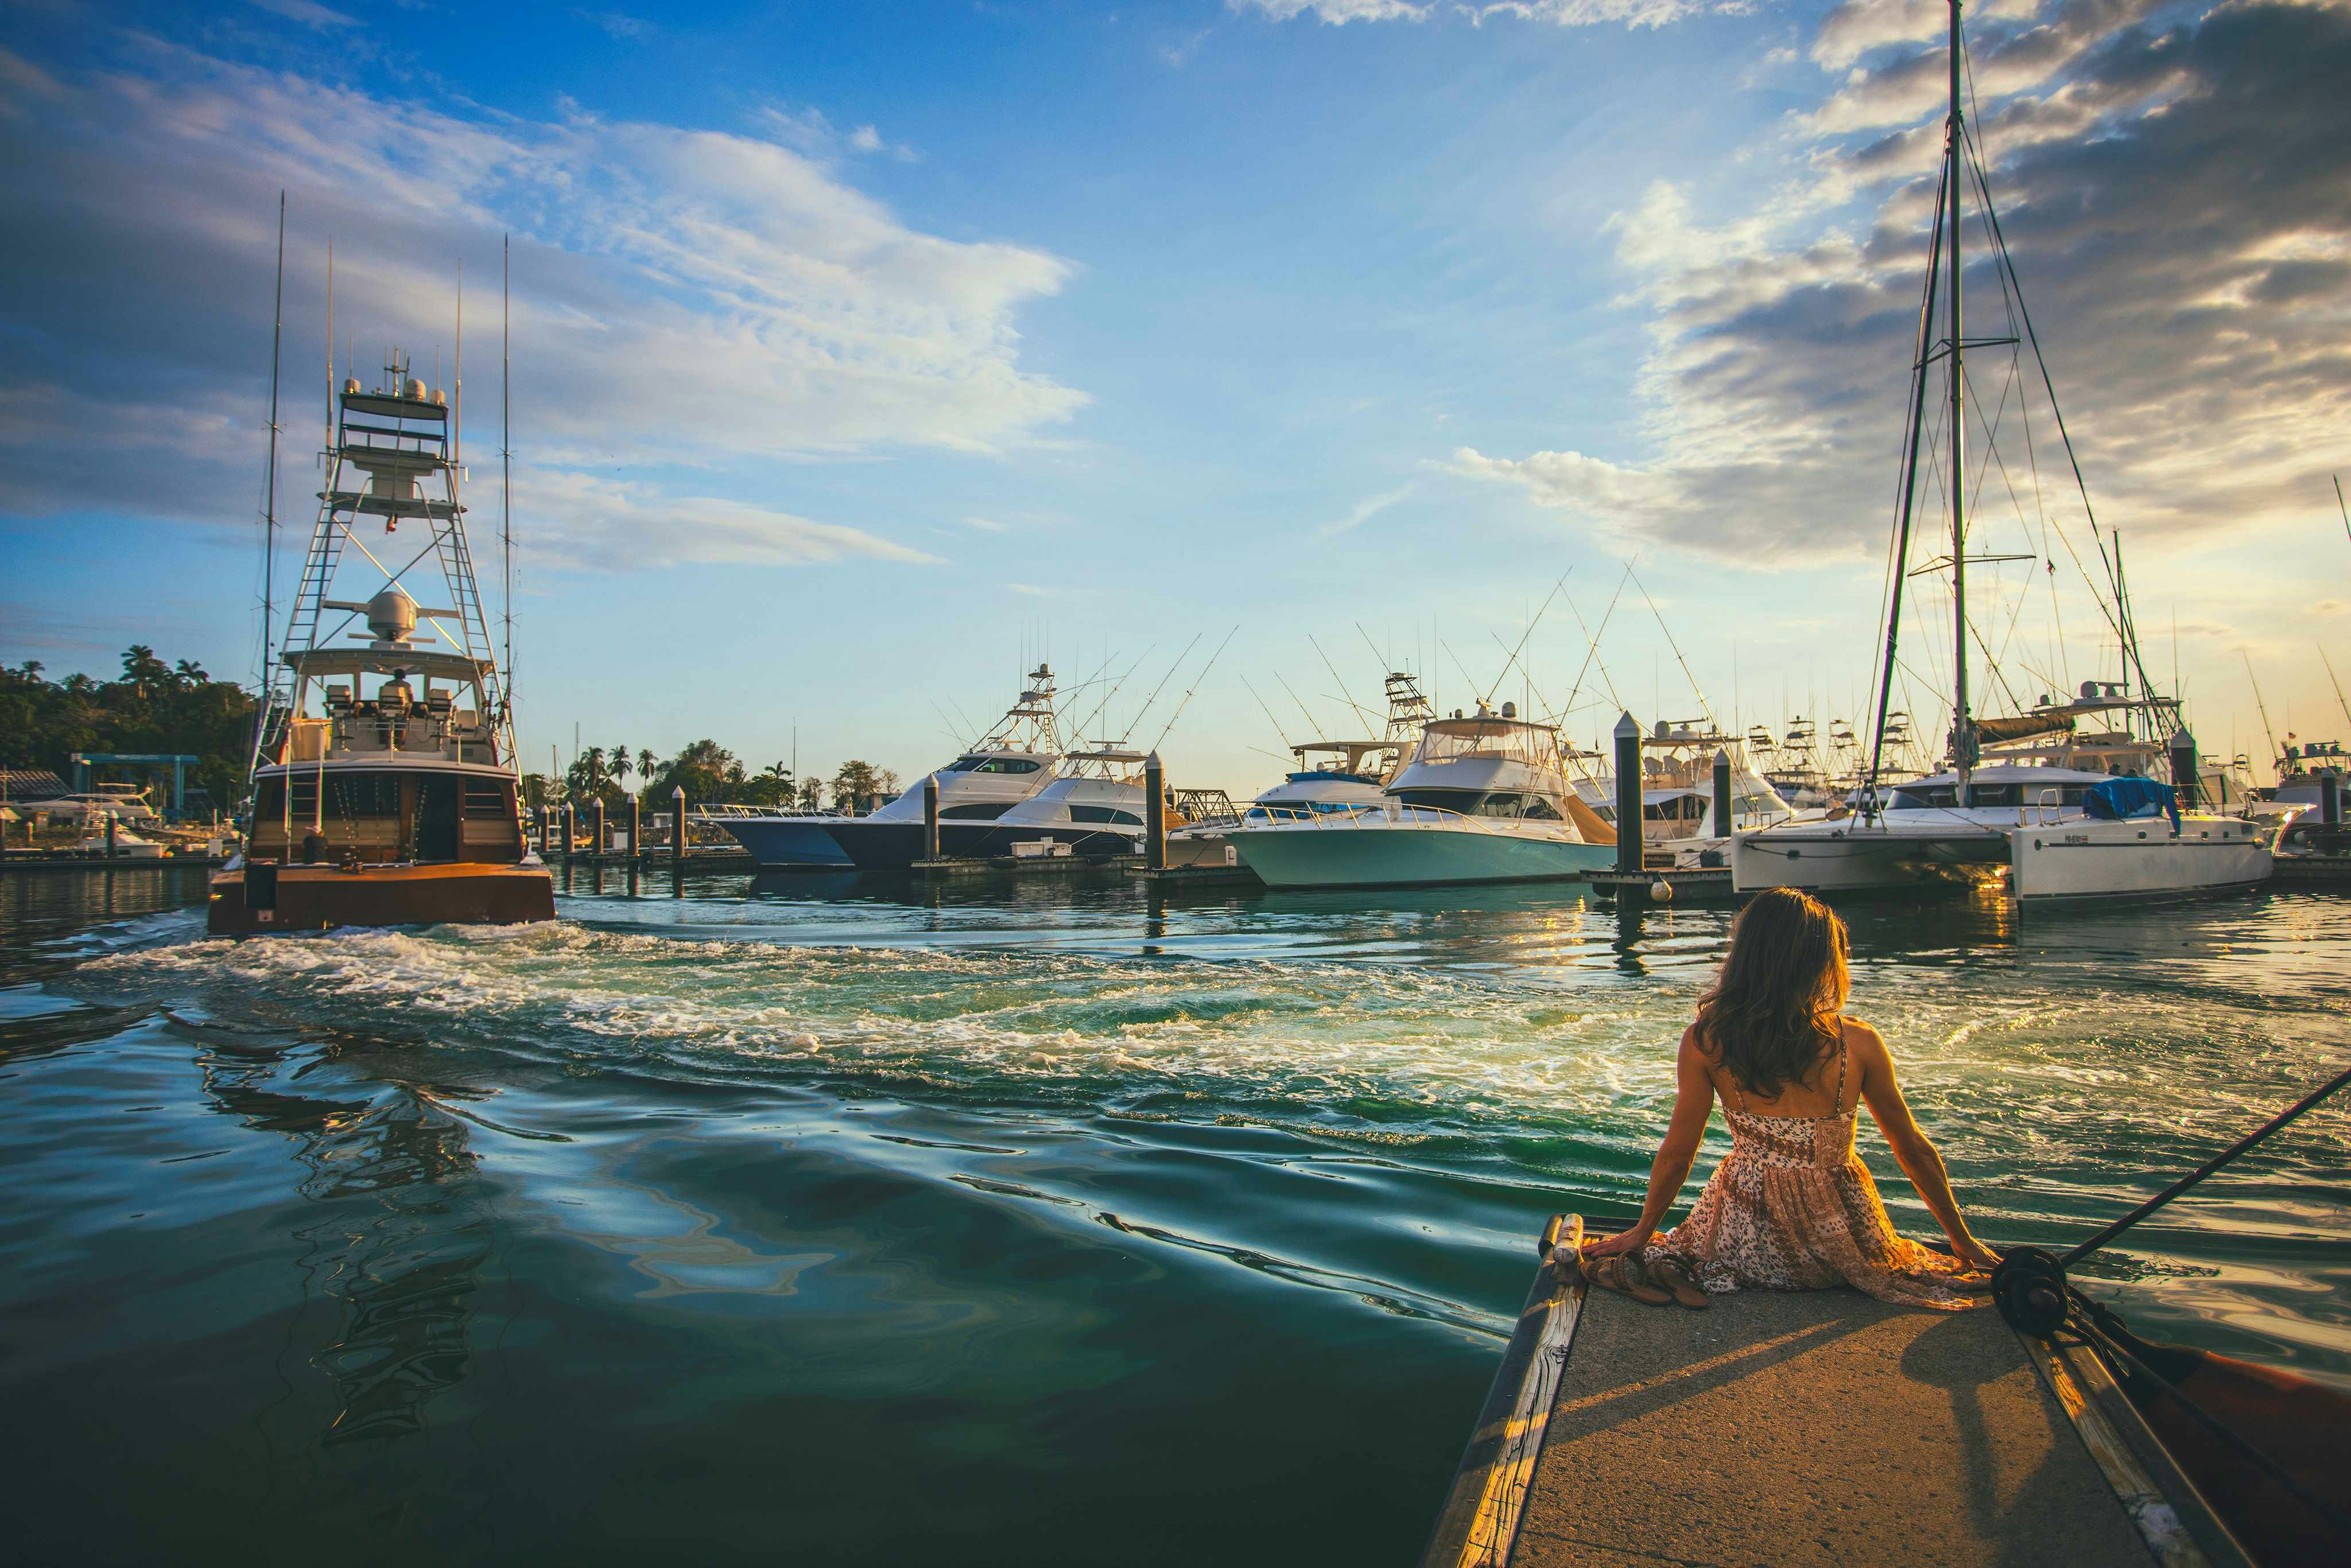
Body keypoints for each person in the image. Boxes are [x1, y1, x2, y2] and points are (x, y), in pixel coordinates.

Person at [1582, 887, 2000, 1311]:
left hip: (1749, 1242)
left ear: (1744, 954)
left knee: (1674, 1250)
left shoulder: (1707, 1042)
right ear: (1822, 960)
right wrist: (1961, 1240)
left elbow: (1678, 1153)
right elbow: (1911, 1149)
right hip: (1844, 1243)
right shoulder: (1859, 1042)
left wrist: (1642, 1231)